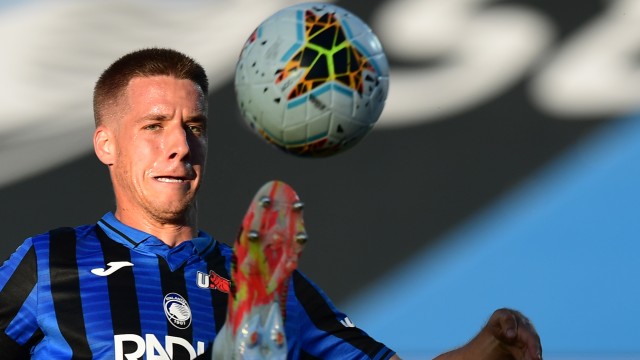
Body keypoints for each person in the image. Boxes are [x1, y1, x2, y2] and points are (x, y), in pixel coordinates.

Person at [0, 48, 541, 360]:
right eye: (154, 126)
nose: (181, 145)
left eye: (195, 127)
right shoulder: (49, 264)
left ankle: (242, 345)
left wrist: (487, 350)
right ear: (106, 145)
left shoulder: (264, 278)